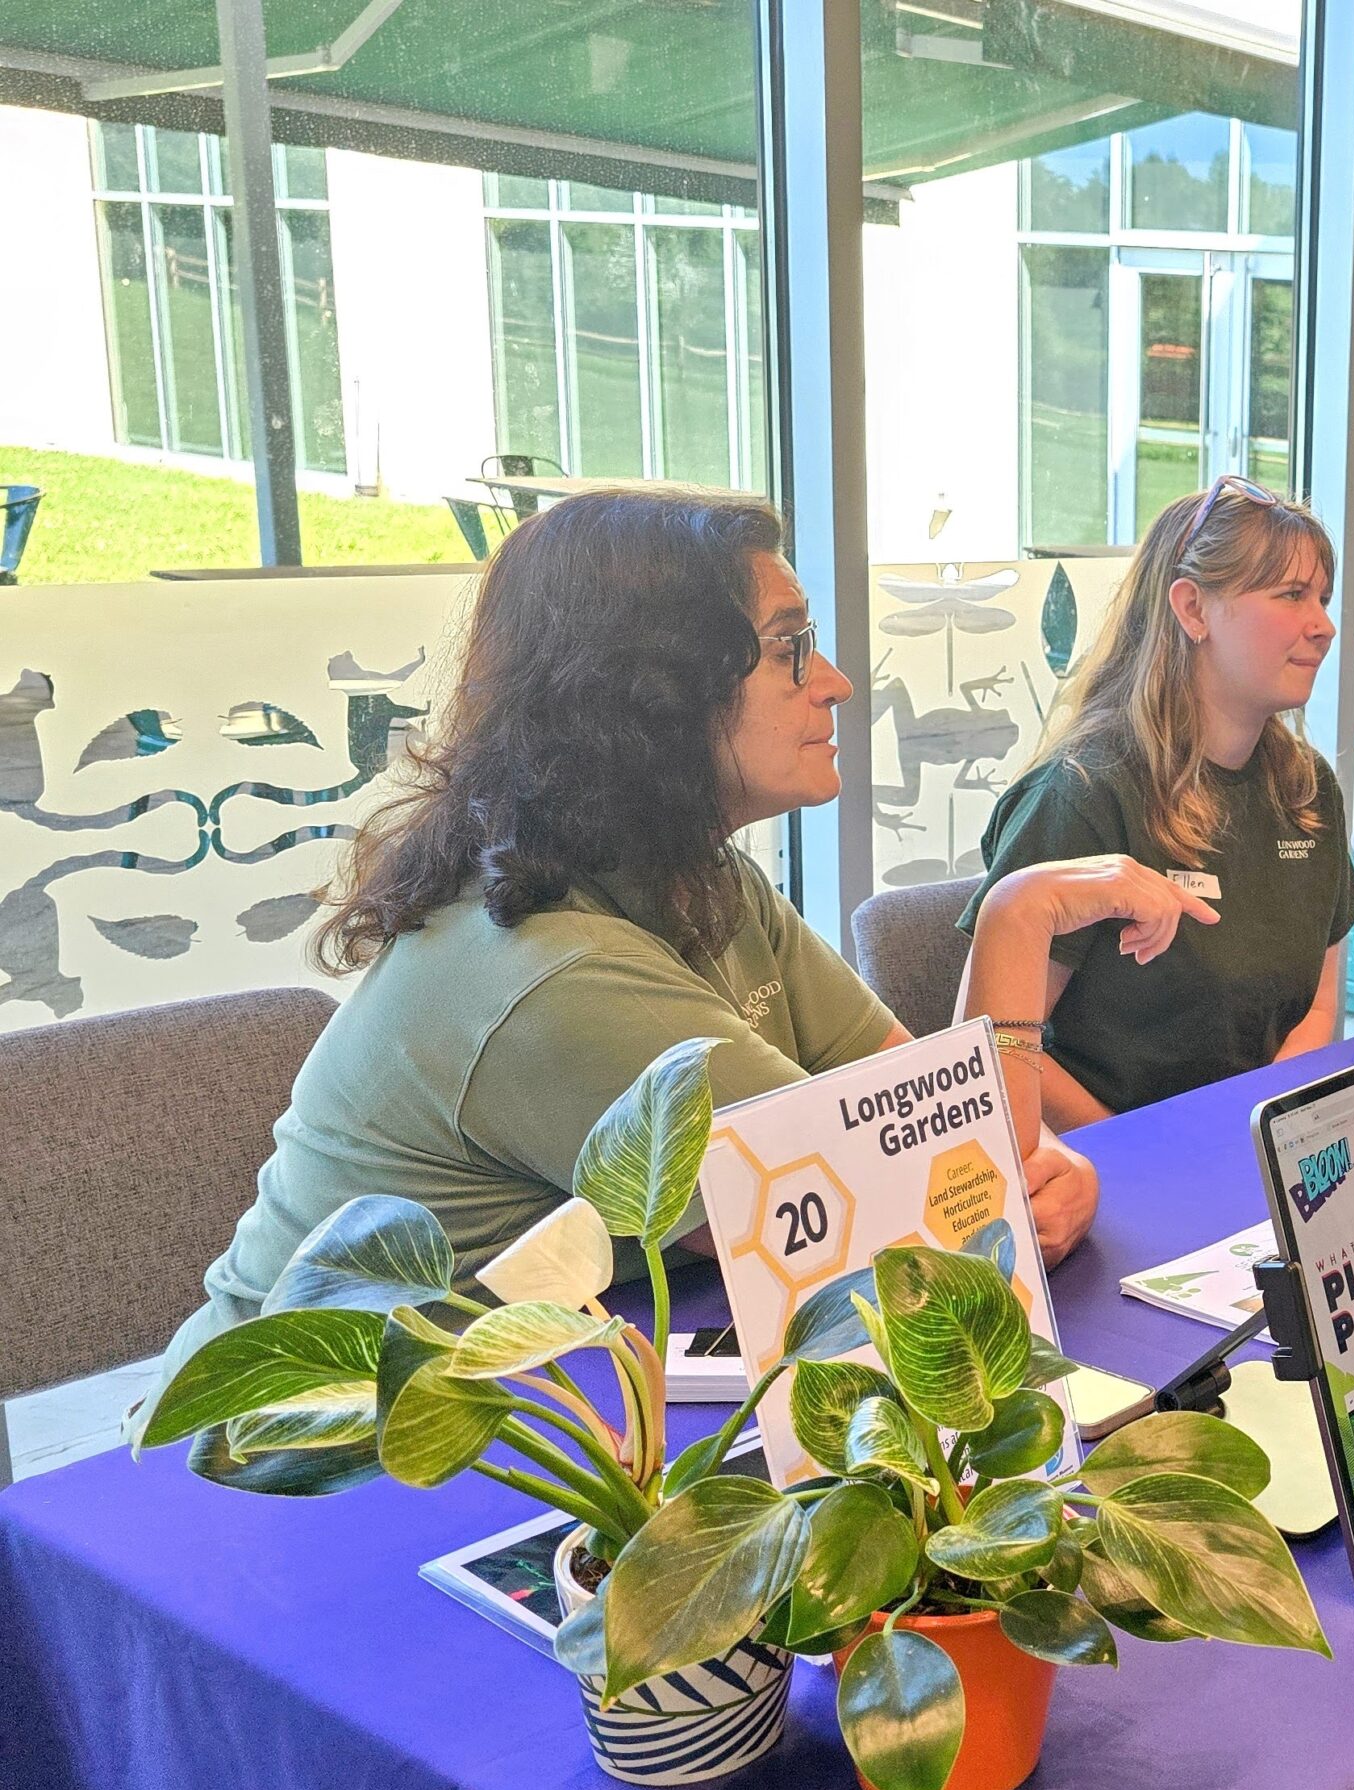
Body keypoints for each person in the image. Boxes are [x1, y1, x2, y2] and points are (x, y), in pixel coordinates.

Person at [156, 488, 1189, 1388]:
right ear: (652, 693)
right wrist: (1014, 924)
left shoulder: (695, 878)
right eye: (791, 651)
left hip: (528, 1405)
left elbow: (924, 1119)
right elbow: (916, 1227)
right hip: (285, 1481)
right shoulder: (547, 977)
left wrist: (1038, 1160)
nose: (832, 683)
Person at [961, 479, 1354, 1127]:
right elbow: (993, 1053)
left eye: (1322, 598)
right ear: (1192, 609)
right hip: (1104, 1159)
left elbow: (1316, 1007)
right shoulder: (1081, 795)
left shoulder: (1308, 789)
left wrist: (1263, 1129)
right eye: (1292, 596)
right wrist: (1150, 1151)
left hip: (1253, 1146)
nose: (1323, 626)